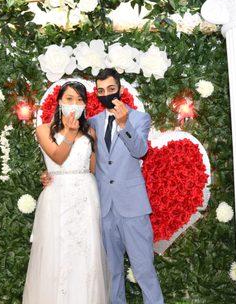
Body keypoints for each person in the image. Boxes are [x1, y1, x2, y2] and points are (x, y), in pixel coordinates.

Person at [42, 68, 164, 304]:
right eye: (100, 91)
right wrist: (50, 174)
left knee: (144, 270)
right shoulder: (92, 124)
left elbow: (140, 151)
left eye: (111, 89)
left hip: (132, 208)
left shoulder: (139, 118)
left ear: (119, 89)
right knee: (111, 273)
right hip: (102, 208)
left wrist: (124, 123)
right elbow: (80, 158)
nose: (106, 94)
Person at [23, 81, 109, 304]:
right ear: (59, 102)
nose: (75, 104)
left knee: (85, 255)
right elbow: (58, 158)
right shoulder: (43, 130)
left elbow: (92, 168)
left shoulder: (89, 132)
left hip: (85, 197)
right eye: (69, 98)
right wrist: (70, 134)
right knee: (57, 252)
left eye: (80, 100)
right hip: (57, 197)